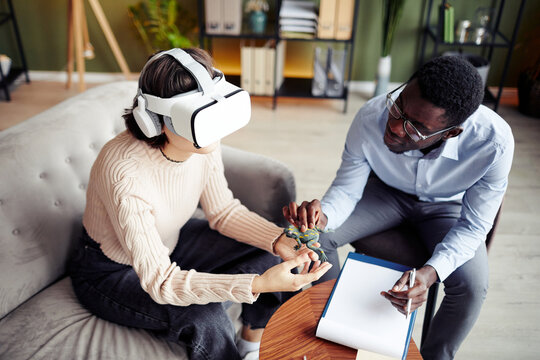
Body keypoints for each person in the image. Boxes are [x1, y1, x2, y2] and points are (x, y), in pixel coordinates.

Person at [68, 48, 331, 360]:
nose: (214, 124)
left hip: (170, 240)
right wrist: (257, 283)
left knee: (274, 251)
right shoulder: (123, 172)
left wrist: (279, 239)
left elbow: (223, 212)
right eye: (199, 115)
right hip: (110, 271)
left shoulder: (203, 139)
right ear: (153, 121)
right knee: (206, 318)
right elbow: (161, 281)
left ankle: (251, 342)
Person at [283, 55, 514, 360]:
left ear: (450, 132)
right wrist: (323, 215)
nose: (394, 127)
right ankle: (334, 332)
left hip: (447, 208)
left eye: (416, 127)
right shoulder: (370, 116)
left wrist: (431, 273)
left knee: (472, 285)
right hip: (385, 194)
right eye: (399, 106)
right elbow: (347, 189)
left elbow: (474, 226)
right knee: (318, 236)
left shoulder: (494, 144)